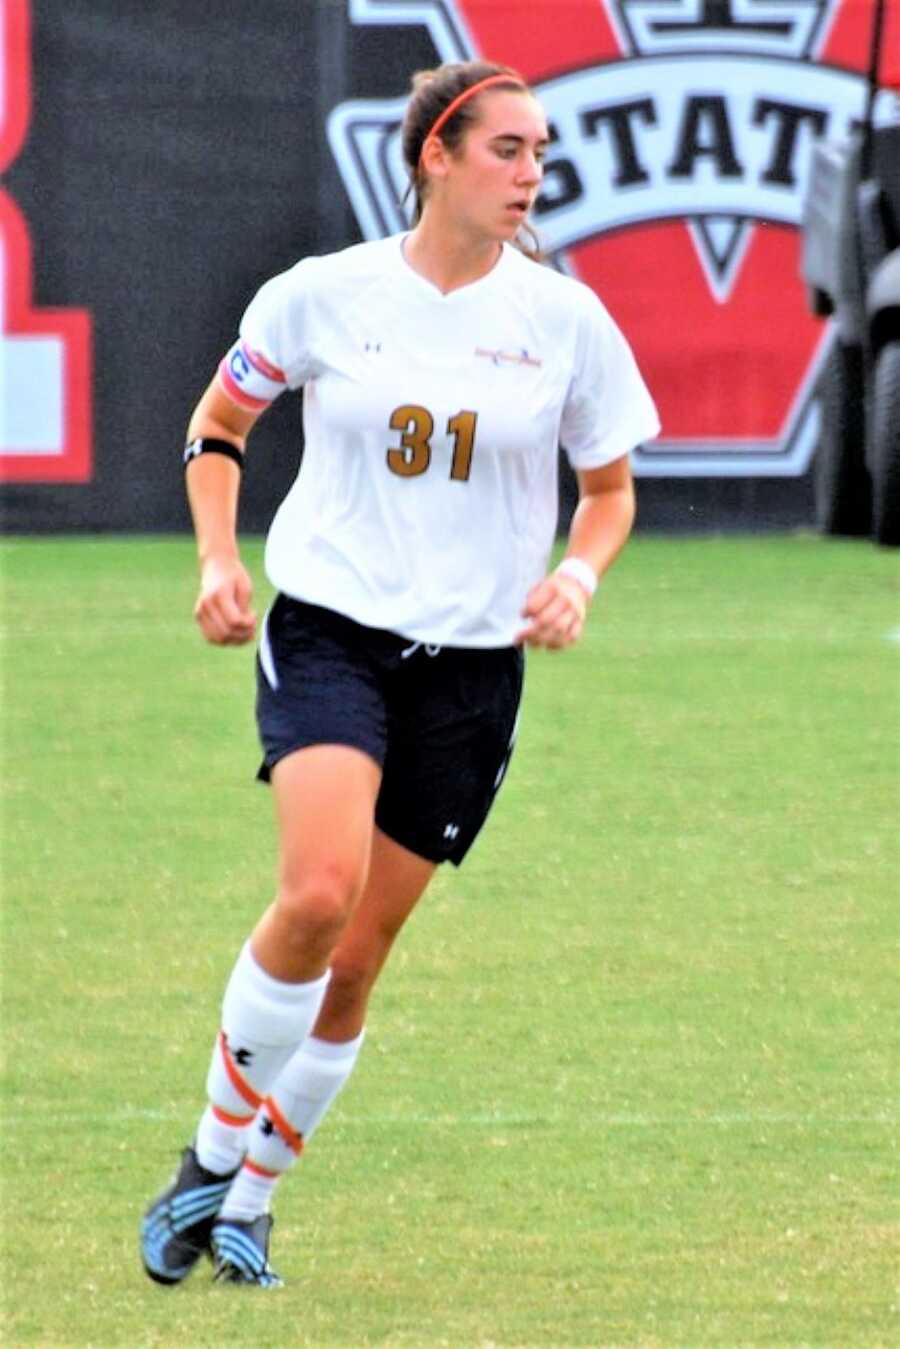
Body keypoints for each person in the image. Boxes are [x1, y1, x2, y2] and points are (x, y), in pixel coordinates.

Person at [140, 58, 659, 1289]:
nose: (532, 173)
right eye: (508, 150)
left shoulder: (564, 320)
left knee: (360, 957)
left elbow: (610, 491)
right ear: (436, 154)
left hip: (472, 666)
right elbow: (219, 428)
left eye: (540, 154)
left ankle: (253, 1202)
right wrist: (218, 558)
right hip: (332, 628)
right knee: (317, 892)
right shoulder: (326, 294)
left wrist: (576, 577)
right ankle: (209, 1157)